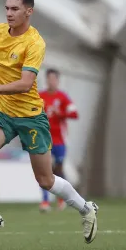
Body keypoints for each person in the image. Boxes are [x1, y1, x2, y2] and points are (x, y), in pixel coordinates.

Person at [0, 0, 99, 244]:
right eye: (6, 8)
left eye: (15, 9)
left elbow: (26, 84)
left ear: (29, 11)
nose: (9, 13)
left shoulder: (35, 42)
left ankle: (86, 209)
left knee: (46, 180)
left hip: (30, 117)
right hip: (3, 112)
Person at [39, 68, 79, 212]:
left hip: (60, 140)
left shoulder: (63, 97)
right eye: (49, 78)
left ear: (57, 80)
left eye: (54, 79)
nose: (51, 81)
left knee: (58, 169)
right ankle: (45, 202)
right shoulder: (40, 96)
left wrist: (60, 113)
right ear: (46, 80)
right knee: (44, 169)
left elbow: (75, 114)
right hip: (44, 138)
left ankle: (61, 198)